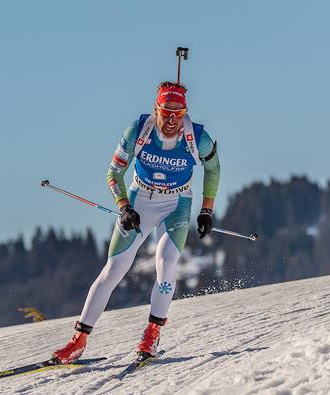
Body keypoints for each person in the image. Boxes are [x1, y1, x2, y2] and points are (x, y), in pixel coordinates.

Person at [52, 81, 220, 363]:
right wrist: (125, 207)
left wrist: (206, 210)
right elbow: (113, 173)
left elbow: (214, 169)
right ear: (156, 109)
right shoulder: (138, 131)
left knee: (167, 263)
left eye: (177, 114)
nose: (171, 120)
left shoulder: (198, 137)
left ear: (185, 113)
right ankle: (78, 340)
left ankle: (152, 334)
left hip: (177, 204)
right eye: (166, 112)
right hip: (140, 199)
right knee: (114, 269)